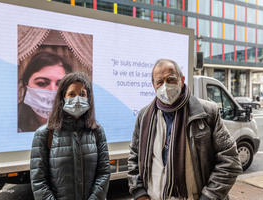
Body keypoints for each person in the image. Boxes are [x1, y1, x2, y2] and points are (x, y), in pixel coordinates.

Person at [128, 59, 242, 200]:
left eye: (171, 79)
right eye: (160, 82)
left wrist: (209, 197)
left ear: (181, 80)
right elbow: (134, 155)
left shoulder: (207, 113)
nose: (165, 86)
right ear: (153, 85)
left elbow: (230, 160)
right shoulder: (144, 115)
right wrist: (139, 192)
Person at [30, 72, 110, 200]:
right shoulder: (45, 134)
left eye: (82, 94)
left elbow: (104, 173)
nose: (77, 99)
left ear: (88, 98)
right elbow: (39, 181)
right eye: (72, 94)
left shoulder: (97, 131)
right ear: (62, 98)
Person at [18, 51, 72, 132]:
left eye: (61, 84)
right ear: (26, 86)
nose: (53, 90)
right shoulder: (12, 121)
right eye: (41, 83)